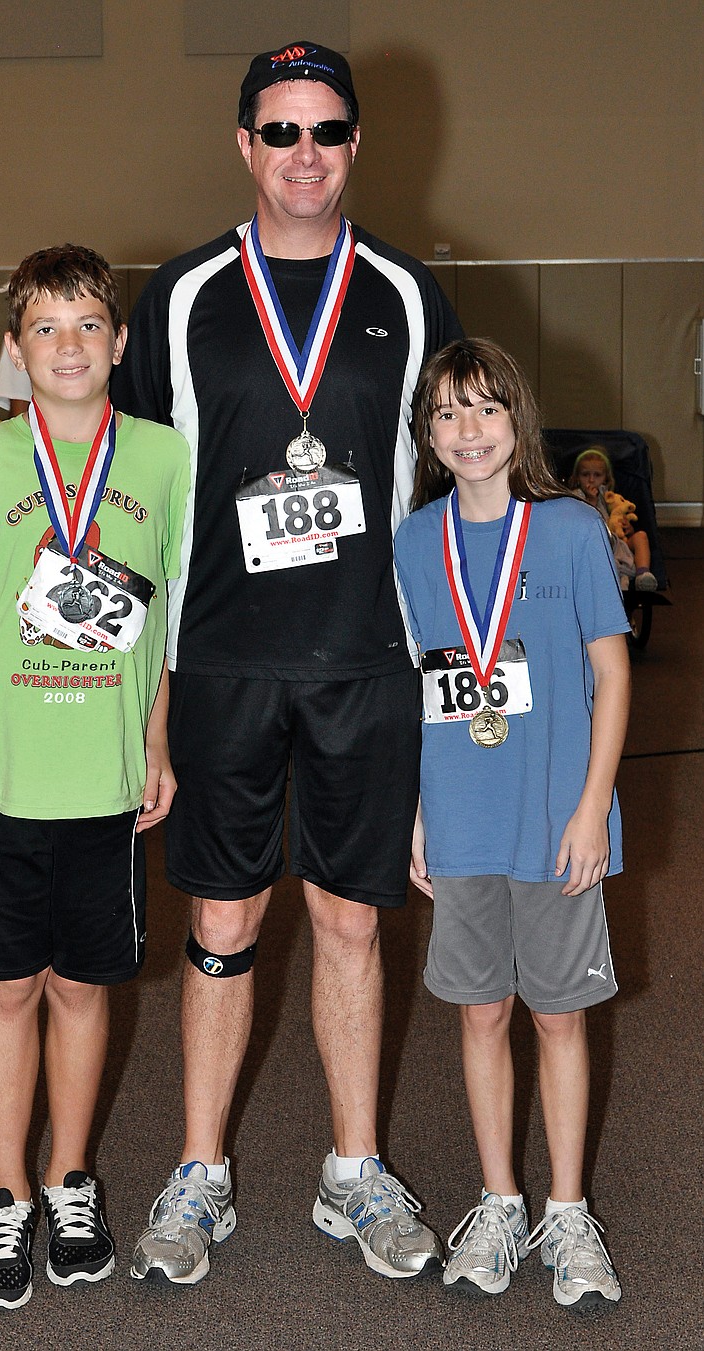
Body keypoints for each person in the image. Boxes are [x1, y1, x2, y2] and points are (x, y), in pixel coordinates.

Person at [0, 40, 462, 1287]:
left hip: (367, 660)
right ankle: (201, 1169)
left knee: (350, 922)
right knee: (222, 925)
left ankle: (355, 1168)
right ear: (243, 145)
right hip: (220, 659)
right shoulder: (181, 294)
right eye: (279, 132)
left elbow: (456, 462)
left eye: (326, 132)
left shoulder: (404, 290)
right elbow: (91, 442)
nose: (304, 155)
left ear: (355, 145)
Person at [0, 243, 190, 1311]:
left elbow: (161, 622)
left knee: (83, 987)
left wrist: (158, 746)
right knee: (7, 987)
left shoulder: (164, 457)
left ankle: (69, 1178)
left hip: (104, 785)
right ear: (13, 346)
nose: (67, 346)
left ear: (119, 341)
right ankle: (3, 1192)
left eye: (87, 326)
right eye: (45, 328)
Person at [394, 338, 630, 1311]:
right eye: (447, 414)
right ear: (428, 435)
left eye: (486, 408)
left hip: (552, 820)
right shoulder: (416, 540)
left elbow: (611, 674)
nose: (468, 429)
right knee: (480, 1012)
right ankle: (498, 1199)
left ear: (516, 419)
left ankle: (566, 1210)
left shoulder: (569, 530)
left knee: (559, 1018)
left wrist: (590, 807)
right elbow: (421, 685)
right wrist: (416, 810)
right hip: (461, 819)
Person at [569, 446, 657, 590]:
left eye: (597, 475)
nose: (591, 480)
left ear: (605, 478)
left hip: (617, 543)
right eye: (585, 475)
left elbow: (617, 517)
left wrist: (627, 528)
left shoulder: (609, 497)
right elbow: (581, 523)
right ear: (577, 477)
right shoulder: (575, 496)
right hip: (592, 545)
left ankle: (643, 575)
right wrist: (591, 501)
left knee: (641, 536)